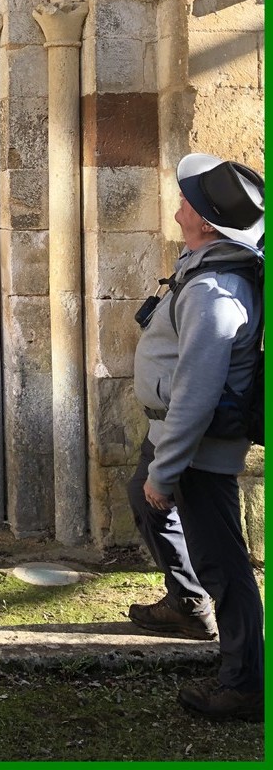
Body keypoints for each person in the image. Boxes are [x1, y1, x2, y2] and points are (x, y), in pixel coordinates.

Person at [127, 153, 264, 722]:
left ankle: (245, 686)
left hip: (196, 446)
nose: (178, 204)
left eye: (186, 200)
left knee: (223, 563)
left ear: (206, 221)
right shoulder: (201, 264)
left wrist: (166, 471)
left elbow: (197, 394)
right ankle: (187, 604)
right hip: (174, 434)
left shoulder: (216, 292)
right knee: (143, 499)